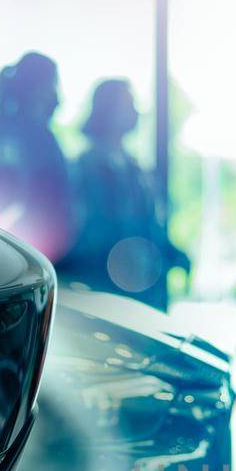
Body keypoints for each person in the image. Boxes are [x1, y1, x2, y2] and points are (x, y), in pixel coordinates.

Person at [62, 78, 190, 310]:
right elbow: (91, 230)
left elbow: (146, 224)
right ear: (107, 109)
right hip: (107, 290)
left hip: (142, 290)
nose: (136, 111)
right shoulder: (87, 166)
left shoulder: (134, 166)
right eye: (128, 103)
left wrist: (171, 251)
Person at [0, 52, 74, 261]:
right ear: (38, 88)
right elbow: (23, 201)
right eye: (54, 84)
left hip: (35, 250)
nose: (59, 96)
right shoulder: (25, 137)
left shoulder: (13, 133)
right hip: (34, 251)